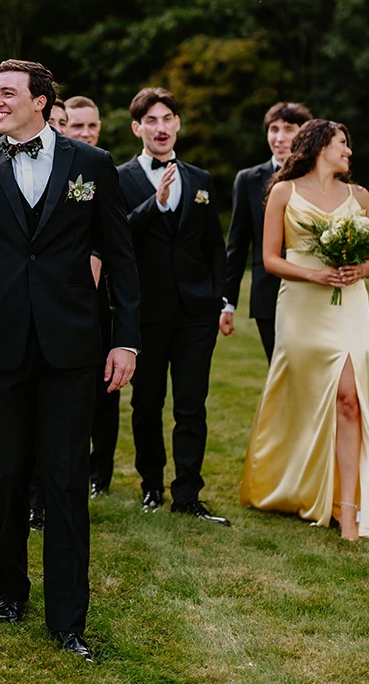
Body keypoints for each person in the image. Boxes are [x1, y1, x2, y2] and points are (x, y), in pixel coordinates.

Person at [0, 60, 141, 663]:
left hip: (74, 347)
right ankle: (9, 592)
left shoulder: (92, 165)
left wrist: (125, 340)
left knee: (67, 479)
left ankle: (69, 619)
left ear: (42, 102)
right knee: (7, 476)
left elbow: (121, 260)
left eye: (7, 93)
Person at [240, 119, 369, 540]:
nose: (349, 152)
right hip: (301, 305)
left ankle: (347, 509)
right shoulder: (283, 192)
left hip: (349, 306)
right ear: (320, 144)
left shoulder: (359, 195)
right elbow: (270, 258)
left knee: (349, 398)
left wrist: (358, 269)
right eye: (343, 143)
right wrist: (315, 276)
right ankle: (291, 485)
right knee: (301, 397)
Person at [114, 87, 228, 525]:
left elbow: (214, 245)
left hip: (196, 312)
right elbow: (117, 238)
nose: (161, 128)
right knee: (146, 404)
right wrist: (153, 204)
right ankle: (150, 486)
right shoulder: (120, 177)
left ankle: (188, 493)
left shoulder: (200, 179)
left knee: (191, 405)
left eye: (168, 118)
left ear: (177, 123)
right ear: (137, 128)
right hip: (146, 312)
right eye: (152, 121)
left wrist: (219, 295)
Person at [62, 96, 121, 499]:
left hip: (98, 298)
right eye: (76, 126)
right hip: (52, 294)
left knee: (106, 391)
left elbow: (110, 231)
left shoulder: (97, 165)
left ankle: (100, 471)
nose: (84, 133)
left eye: (91, 127)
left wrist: (97, 257)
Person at [222, 102, 314, 361]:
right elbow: (237, 246)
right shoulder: (248, 180)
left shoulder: (319, 179)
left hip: (313, 293)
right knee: (282, 375)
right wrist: (228, 303)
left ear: (304, 134)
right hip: (268, 297)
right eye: (274, 129)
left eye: (289, 129)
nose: (280, 137)